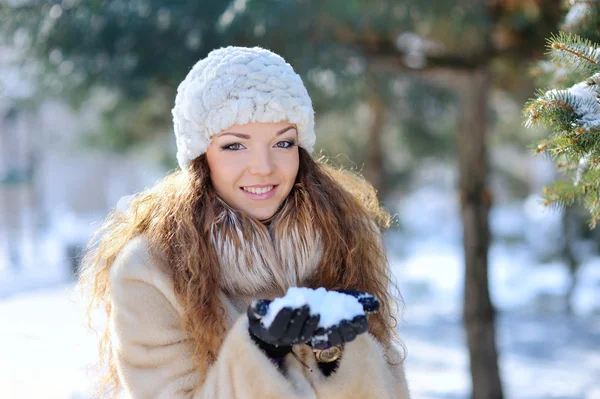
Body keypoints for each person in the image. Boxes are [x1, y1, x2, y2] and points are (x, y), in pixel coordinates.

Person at [79, 46, 410, 398]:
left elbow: (393, 387)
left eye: (283, 142)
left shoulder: (349, 236)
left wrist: (337, 357)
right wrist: (258, 353)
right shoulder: (151, 268)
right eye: (235, 146)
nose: (264, 167)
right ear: (199, 155)